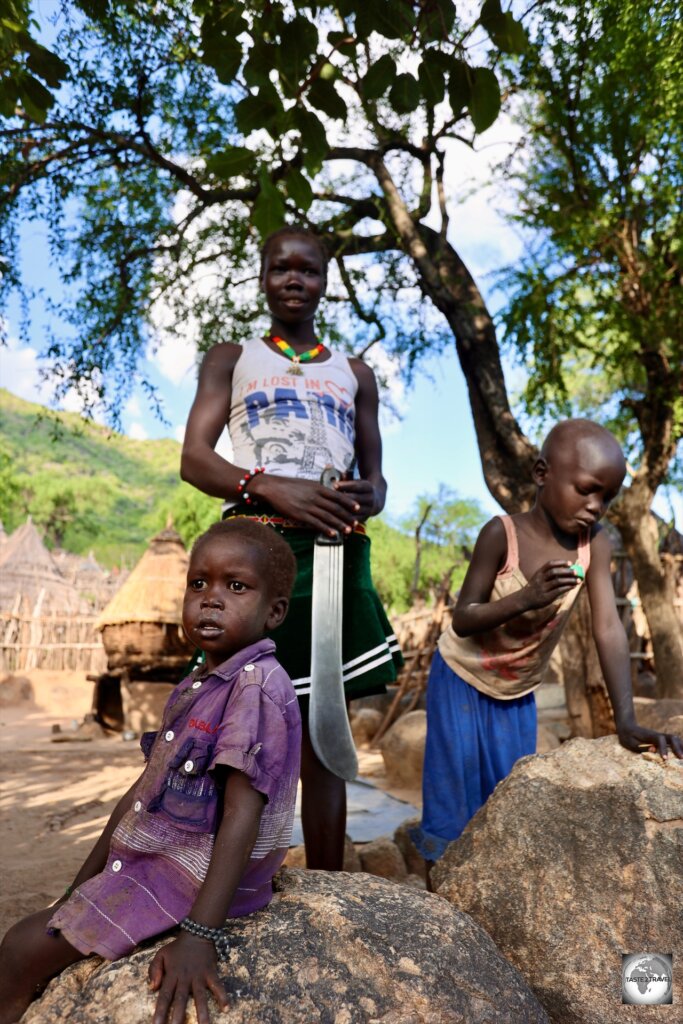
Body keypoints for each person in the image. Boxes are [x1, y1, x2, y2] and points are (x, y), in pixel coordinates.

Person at [0, 518, 300, 1024]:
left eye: (236, 586)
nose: (211, 598)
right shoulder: (201, 682)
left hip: (189, 877)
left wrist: (199, 935)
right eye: (198, 583)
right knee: (36, 929)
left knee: (20, 950)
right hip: (161, 858)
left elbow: (242, 814)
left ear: (274, 612)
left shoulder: (255, 688)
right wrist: (77, 891)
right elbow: (142, 793)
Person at [180, 225, 403, 870]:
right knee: (244, 707)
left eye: (308, 270)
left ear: (325, 281)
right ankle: (219, 877)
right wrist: (269, 486)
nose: (295, 279)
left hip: (335, 552)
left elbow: (379, 479)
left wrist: (367, 494)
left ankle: (327, 882)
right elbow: (195, 459)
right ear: (262, 276)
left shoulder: (354, 372)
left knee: (323, 723)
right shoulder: (233, 357)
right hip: (257, 547)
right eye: (281, 268)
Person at [411, 419, 683, 867]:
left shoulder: (593, 544)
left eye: (607, 498)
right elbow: (463, 619)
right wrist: (527, 597)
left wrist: (627, 719)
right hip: (460, 679)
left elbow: (609, 628)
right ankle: (437, 921)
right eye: (586, 489)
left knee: (508, 804)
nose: (596, 507)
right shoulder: (501, 534)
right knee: (452, 805)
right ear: (542, 474)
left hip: (516, 693)